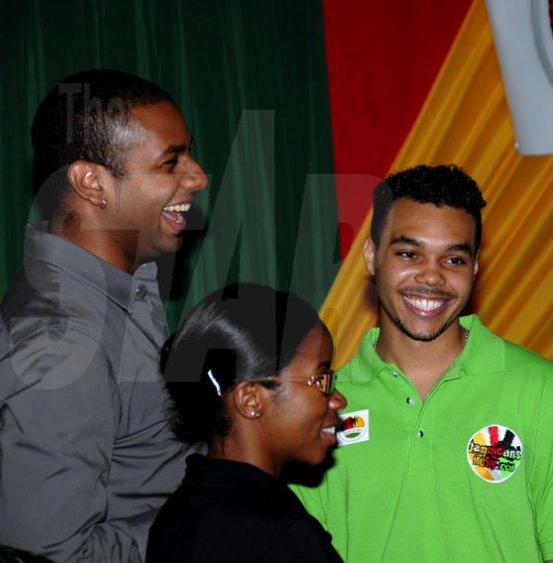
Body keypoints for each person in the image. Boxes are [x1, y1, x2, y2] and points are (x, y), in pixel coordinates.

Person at [0, 69, 208, 562]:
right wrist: (213, 529)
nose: (198, 177)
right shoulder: (60, 340)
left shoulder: (116, 286)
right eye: (171, 162)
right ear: (91, 182)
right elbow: (53, 557)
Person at [292, 164, 553, 562]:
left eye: (454, 260)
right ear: (371, 255)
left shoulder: (540, 389)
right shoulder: (321, 405)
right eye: (410, 254)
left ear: (475, 268)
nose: (432, 277)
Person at [144, 282, 346, 562]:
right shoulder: (282, 537)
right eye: (322, 380)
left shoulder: (174, 519)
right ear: (250, 399)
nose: (338, 400)